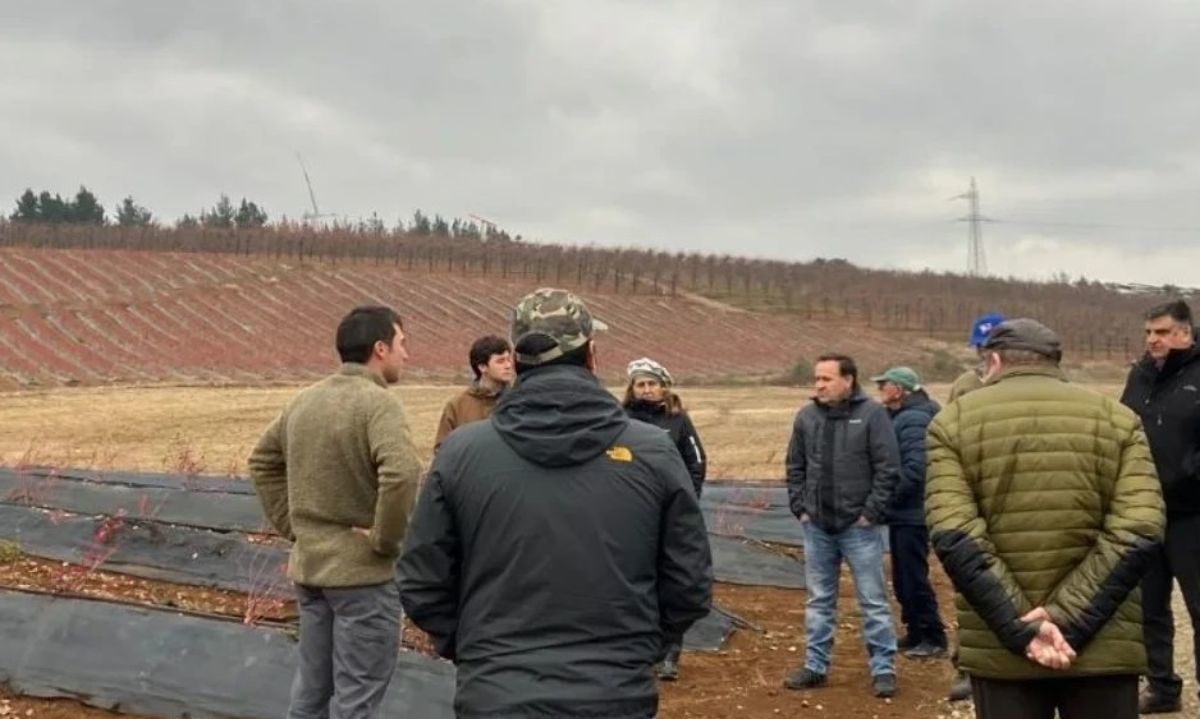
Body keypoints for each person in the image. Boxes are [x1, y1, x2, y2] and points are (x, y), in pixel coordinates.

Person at [398, 288, 713, 719]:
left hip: (497, 693)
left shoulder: (460, 454)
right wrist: (636, 651)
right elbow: (689, 583)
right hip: (614, 694)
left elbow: (421, 579)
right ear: (592, 355)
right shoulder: (654, 452)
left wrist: (475, 650)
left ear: (518, 358)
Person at [926, 318, 1164, 719]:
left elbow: (955, 535)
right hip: (1101, 643)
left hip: (1003, 648)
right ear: (1055, 362)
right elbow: (1139, 529)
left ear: (995, 361)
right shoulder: (1118, 419)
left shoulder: (952, 423)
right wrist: (1067, 618)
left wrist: (1024, 629)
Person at [248, 306, 422, 719]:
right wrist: (385, 540)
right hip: (362, 578)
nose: (406, 355)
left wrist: (296, 527)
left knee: (309, 695)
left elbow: (262, 462)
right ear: (380, 349)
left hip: (311, 573)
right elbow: (401, 473)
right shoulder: (378, 404)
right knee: (357, 700)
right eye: (402, 344)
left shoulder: (305, 401)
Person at [783, 354, 901, 699]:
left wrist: (870, 513)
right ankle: (815, 666)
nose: (819, 385)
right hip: (817, 526)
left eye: (827, 378)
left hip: (859, 527)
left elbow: (888, 468)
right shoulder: (806, 417)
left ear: (848, 380)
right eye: (816, 378)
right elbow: (795, 467)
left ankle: (883, 669)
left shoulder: (872, 415)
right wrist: (800, 508)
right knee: (819, 600)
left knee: (873, 600)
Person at [1119, 300, 1200, 714]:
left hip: (1193, 516)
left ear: (1185, 332)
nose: (1153, 339)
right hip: (1145, 513)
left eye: (1163, 332)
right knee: (1148, 608)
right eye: (1149, 332)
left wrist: (1186, 476)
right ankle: (1163, 688)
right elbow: (1122, 428)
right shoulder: (1140, 375)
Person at [621, 356, 707, 680]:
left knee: (671, 580)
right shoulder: (621, 419)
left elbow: (696, 463)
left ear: (663, 387)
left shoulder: (678, 421)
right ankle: (637, 649)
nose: (646, 390)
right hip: (631, 516)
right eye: (640, 384)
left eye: (651, 384)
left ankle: (670, 653)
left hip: (668, 516)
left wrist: (687, 504)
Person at [870, 366, 947, 658]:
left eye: (884, 385)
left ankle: (933, 636)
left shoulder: (914, 419)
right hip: (904, 514)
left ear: (899, 390)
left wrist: (884, 500)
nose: (880, 390)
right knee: (903, 577)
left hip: (913, 514)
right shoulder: (901, 416)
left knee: (913, 576)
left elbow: (915, 471)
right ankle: (915, 631)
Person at [433, 335, 514, 451]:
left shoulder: (518, 400)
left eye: (508, 360)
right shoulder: (457, 406)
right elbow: (442, 450)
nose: (508, 366)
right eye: (500, 361)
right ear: (482, 367)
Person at [949, 312, 1006, 402]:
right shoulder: (964, 384)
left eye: (993, 346)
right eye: (980, 346)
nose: (985, 353)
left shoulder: (1021, 380)